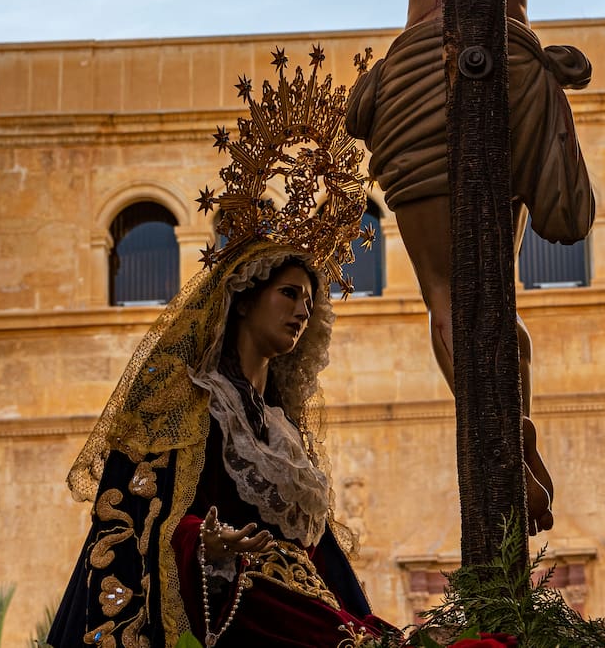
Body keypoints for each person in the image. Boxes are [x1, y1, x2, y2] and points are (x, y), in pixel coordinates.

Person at [48, 241, 397, 647]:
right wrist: (201, 543)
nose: (303, 311)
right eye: (289, 293)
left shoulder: (283, 430)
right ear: (245, 301)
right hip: (237, 603)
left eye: (309, 300)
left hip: (300, 606)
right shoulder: (187, 405)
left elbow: (321, 555)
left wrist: (358, 618)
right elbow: (148, 512)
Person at [346, 0, 596, 534]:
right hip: (512, 61)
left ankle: (506, 449)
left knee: (446, 300)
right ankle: (516, 432)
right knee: (497, 306)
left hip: (421, 73)